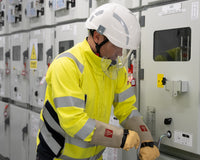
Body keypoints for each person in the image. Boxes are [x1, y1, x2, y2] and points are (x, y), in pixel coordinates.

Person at [36, 3, 160, 160]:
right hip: (58, 156)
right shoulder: (67, 65)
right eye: (117, 46)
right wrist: (120, 138)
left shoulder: (114, 68)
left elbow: (127, 109)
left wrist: (146, 139)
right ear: (97, 37)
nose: (120, 52)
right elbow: (74, 122)